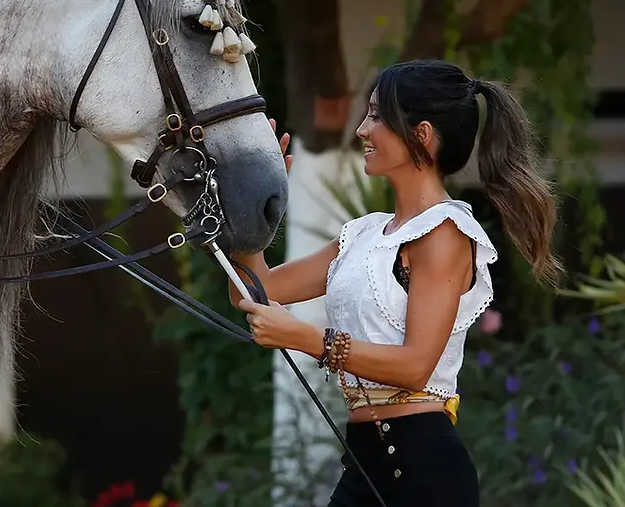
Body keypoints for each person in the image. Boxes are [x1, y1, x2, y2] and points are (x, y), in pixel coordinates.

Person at [233, 60, 561, 507]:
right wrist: (254, 204)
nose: (363, 131)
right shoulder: (365, 233)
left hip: (425, 471)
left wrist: (308, 339)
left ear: (421, 134)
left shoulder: (445, 233)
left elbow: (414, 366)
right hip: (365, 465)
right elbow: (254, 291)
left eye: (375, 116)